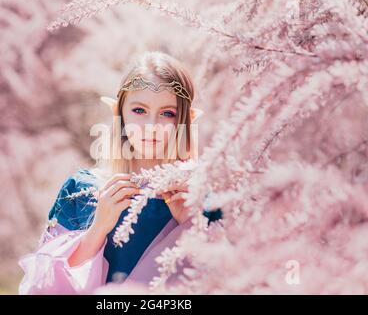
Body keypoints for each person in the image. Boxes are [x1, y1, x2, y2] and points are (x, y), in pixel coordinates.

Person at [18, 51, 222, 294]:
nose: (151, 126)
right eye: (139, 110)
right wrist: (97, 229)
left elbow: (229, 282)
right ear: (120, 113)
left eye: (168, 113)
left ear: (185, 120)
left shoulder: (204, 199)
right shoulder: (81, 190)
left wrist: (190, 225)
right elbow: (45, 287)